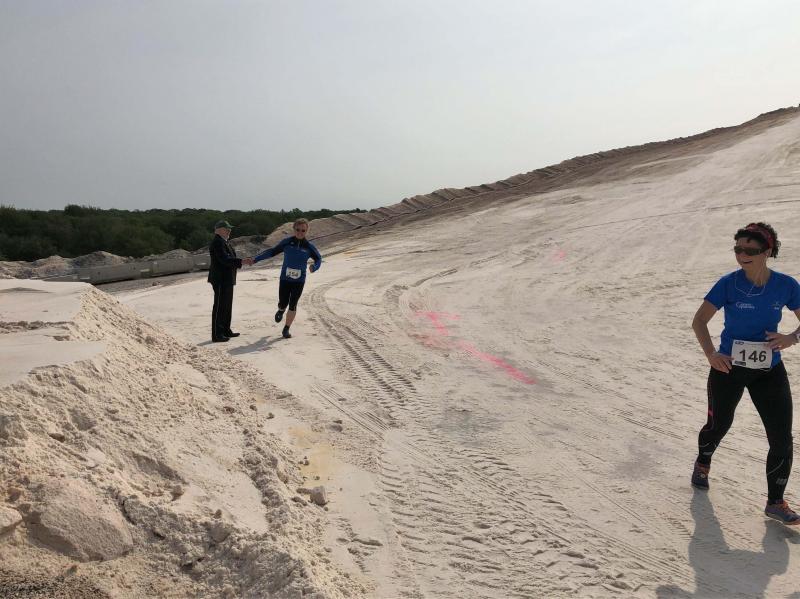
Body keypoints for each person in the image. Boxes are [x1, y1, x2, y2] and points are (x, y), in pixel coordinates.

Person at [691, 222, 800, 525]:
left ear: (767, 251)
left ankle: (775, 502)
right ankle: (703, 462)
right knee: (718, 424)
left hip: (769, 370)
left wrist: (792, 337)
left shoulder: (786, 285)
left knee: (781, 437)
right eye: (738, 249)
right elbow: (699, 321)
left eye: (750, 250)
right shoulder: (728, 284)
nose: (742, 255)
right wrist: (712, 354)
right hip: (728, 368)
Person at [250, 218, 321, 339]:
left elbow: (318, 259)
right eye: (298, 229)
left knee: (293, 304)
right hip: (285, 279)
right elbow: (272, 252)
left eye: (303, 230)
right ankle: (281, 310)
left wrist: (314, 267)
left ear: (307, 231)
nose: (300, 232)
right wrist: (255, 259)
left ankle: (286, 328)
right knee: (283, 302)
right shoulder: (287, 242)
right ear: (294, 229)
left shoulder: (309, 247)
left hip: (299, 280)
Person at [208, 220, 247, 343]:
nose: (229, 230)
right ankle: (217, 334)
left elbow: (230, 258)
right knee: (220, 306)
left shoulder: (225, 242)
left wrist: (239, 262)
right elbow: (224, 259)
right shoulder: (217, 242)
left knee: (227, 306)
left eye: (230, 228)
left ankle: (226, 330)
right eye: (226, 228)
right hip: (220, 279)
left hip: (227, 279)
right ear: (218, 230)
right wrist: (241, 261)